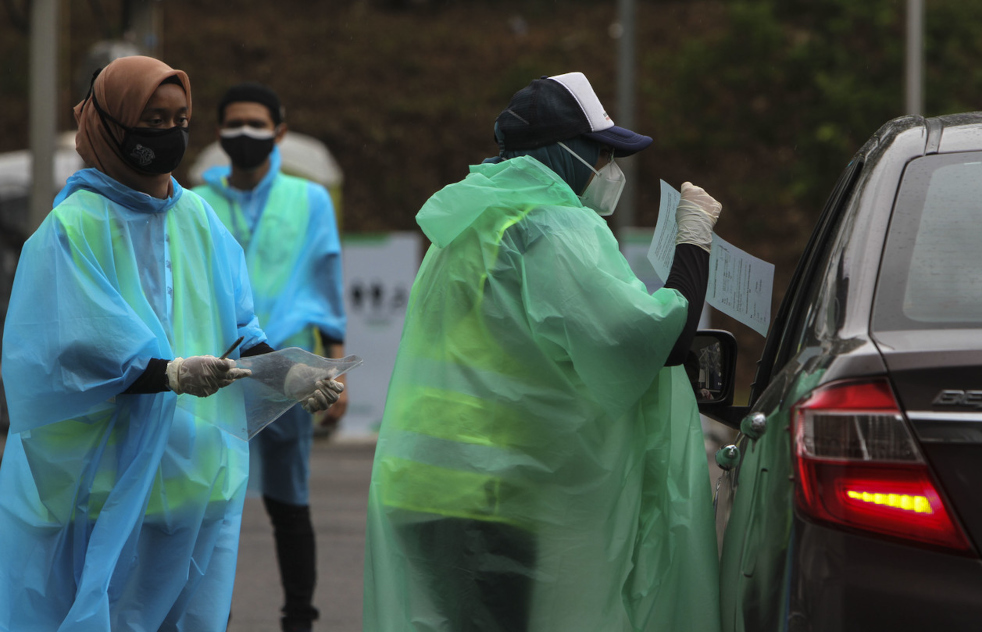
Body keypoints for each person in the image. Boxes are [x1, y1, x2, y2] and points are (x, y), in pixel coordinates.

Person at [362, 72, 724, 632]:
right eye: (603, 153)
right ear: (564, 152)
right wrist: (694, 242)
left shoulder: (472, 218)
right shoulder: (549, 227)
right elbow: (649, 342)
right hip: (489, 489)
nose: (611, 169)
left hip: (423, 478)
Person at [0, 56, 342, 632]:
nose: (169, 134)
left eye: (179, 118)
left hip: (192, 486)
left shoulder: (200, 220)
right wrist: (171, 374)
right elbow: (62, 362)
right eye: (151, 120)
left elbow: (241, 333)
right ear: (111, 125)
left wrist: (287, 373)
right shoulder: (70, 230)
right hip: (99, 491)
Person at [193, 82, 347, 632]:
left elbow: (325, 280)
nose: (244, 135)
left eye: (257, 124)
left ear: (279, 131)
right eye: (233, 124)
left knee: (289, 502)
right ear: (217, 132)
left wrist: (334, 362)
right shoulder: (197, 202)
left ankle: (299, 618)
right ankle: (213, 617)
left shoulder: (308, 201)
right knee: (210, 506)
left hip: (288, 370)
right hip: (214, 375)